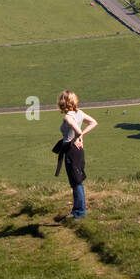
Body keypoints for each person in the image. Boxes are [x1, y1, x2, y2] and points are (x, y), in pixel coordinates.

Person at [56, 89, 97, 219]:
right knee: (77, 180)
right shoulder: (79, 113)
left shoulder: (68, 117)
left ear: (63, 102)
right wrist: (80, 137)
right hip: (77, 151)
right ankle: (78, 210)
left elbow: (78, 131)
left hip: (71, 150)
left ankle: (79, 213)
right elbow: (93, 122)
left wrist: (78, 138)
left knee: (76, 182)